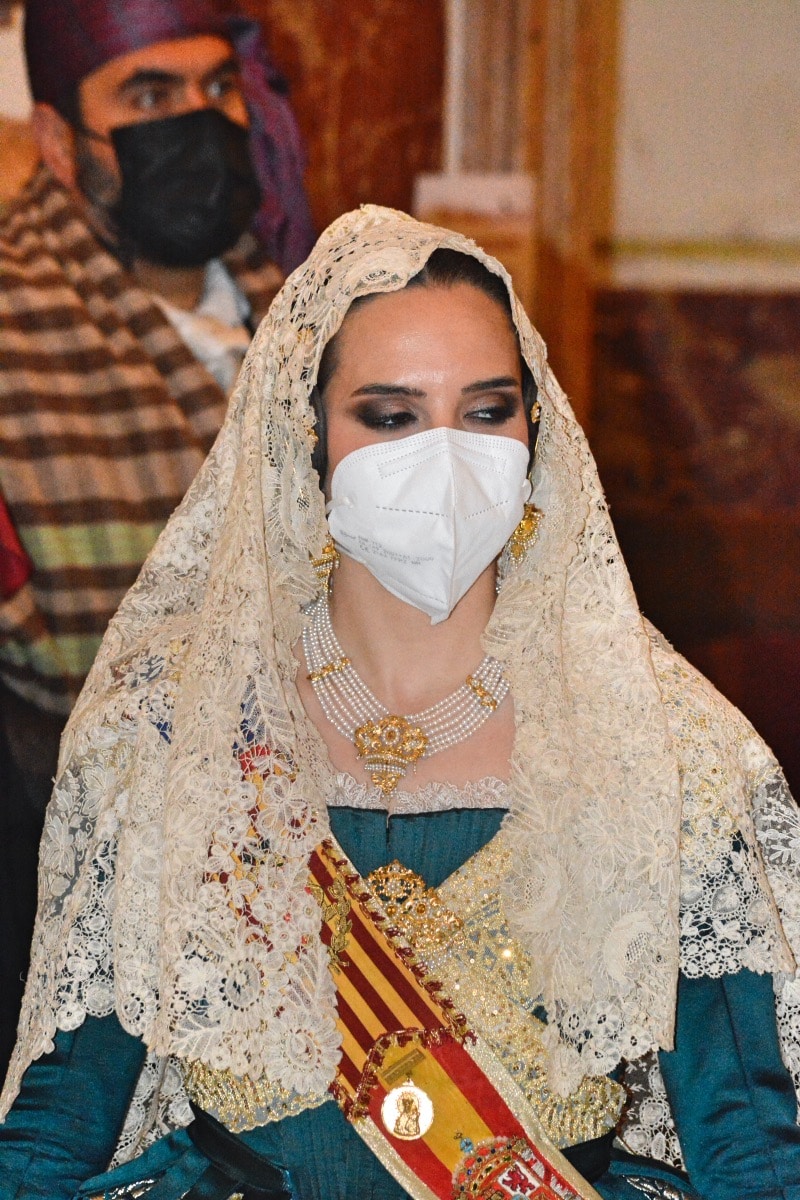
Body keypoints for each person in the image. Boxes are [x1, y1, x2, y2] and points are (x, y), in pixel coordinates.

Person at [1, 206, 800, 1200]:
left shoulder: (660, 741)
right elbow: (59, 1119)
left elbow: (752, 1145)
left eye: (486, 412)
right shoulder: (174, 725)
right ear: (306, 435)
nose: (446, 456)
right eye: (390, 417)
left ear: (536, 430)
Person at [0, 0, 315, 1076]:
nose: (198, 122)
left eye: (216, 88)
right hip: (83, 914)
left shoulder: (313, 308)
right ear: (57, 141)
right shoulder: (13, 327)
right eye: (148, 95)